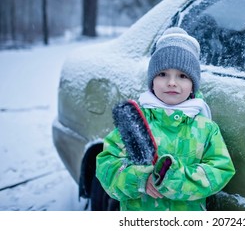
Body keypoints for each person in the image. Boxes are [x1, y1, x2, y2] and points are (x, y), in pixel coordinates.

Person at [96, 27, 235, 211]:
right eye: (162, 74)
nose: (171, 82)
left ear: (193, 84)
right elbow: (107, 167)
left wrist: (174, 180)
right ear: (152, 80)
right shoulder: (136, 123)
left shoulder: (206, 128)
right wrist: (140, 179)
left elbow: (220, 171)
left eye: (182, 76)